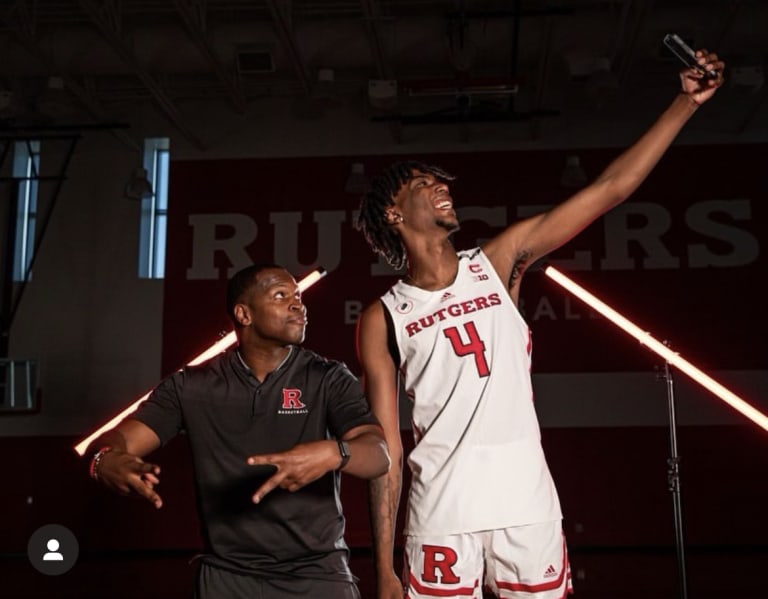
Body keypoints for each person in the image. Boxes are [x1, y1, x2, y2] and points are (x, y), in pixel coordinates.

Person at [354, 49, 725, 599]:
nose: (441, 186)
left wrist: (684, 104)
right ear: (394, 213)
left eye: (441, 180)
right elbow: (385, 453)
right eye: (422, 183)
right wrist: (384, 567)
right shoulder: (383, 314)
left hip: (526, 504)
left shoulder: (499, 262)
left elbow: (610, 189)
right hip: (439, 513)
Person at [85, 263, 390, 599]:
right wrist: (105, 459)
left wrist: (336, 453)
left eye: (298, 296)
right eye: (280, 295)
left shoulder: (327, 377)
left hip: (317, 575)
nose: (297, 304)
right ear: (244, 314)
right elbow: (120, 441)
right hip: (228, 579)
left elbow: (378, 454)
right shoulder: (191, 387)